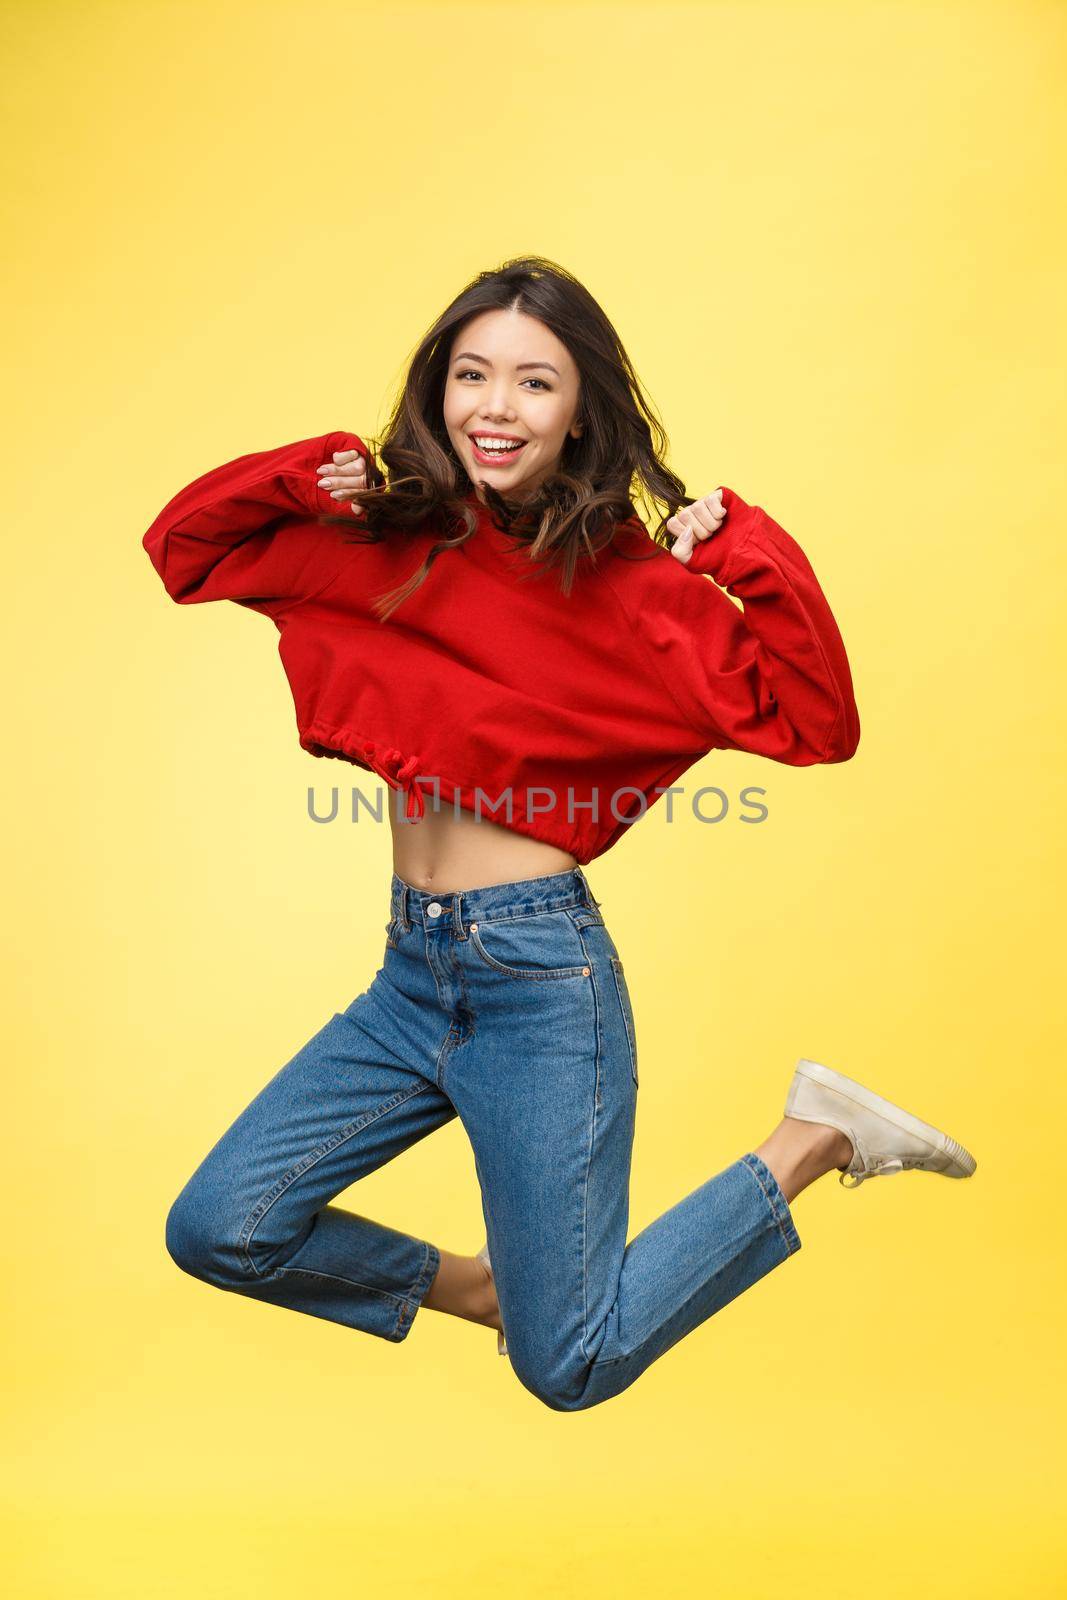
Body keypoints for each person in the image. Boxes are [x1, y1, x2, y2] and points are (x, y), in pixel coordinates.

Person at [144, 255, 976, 1412]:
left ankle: (811, 1138)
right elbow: (186, 549)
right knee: (221, 1225)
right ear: (438, 388)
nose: (495, 407)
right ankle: (489, 1289)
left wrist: (741, 552)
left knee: (569, 1365)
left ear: (580, 407)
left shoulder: (627, 585)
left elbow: (814, 720)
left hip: (537, 978)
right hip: (409, 972)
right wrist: (297, 475)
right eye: (471, 374)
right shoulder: (384, 534)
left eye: (534, 383)